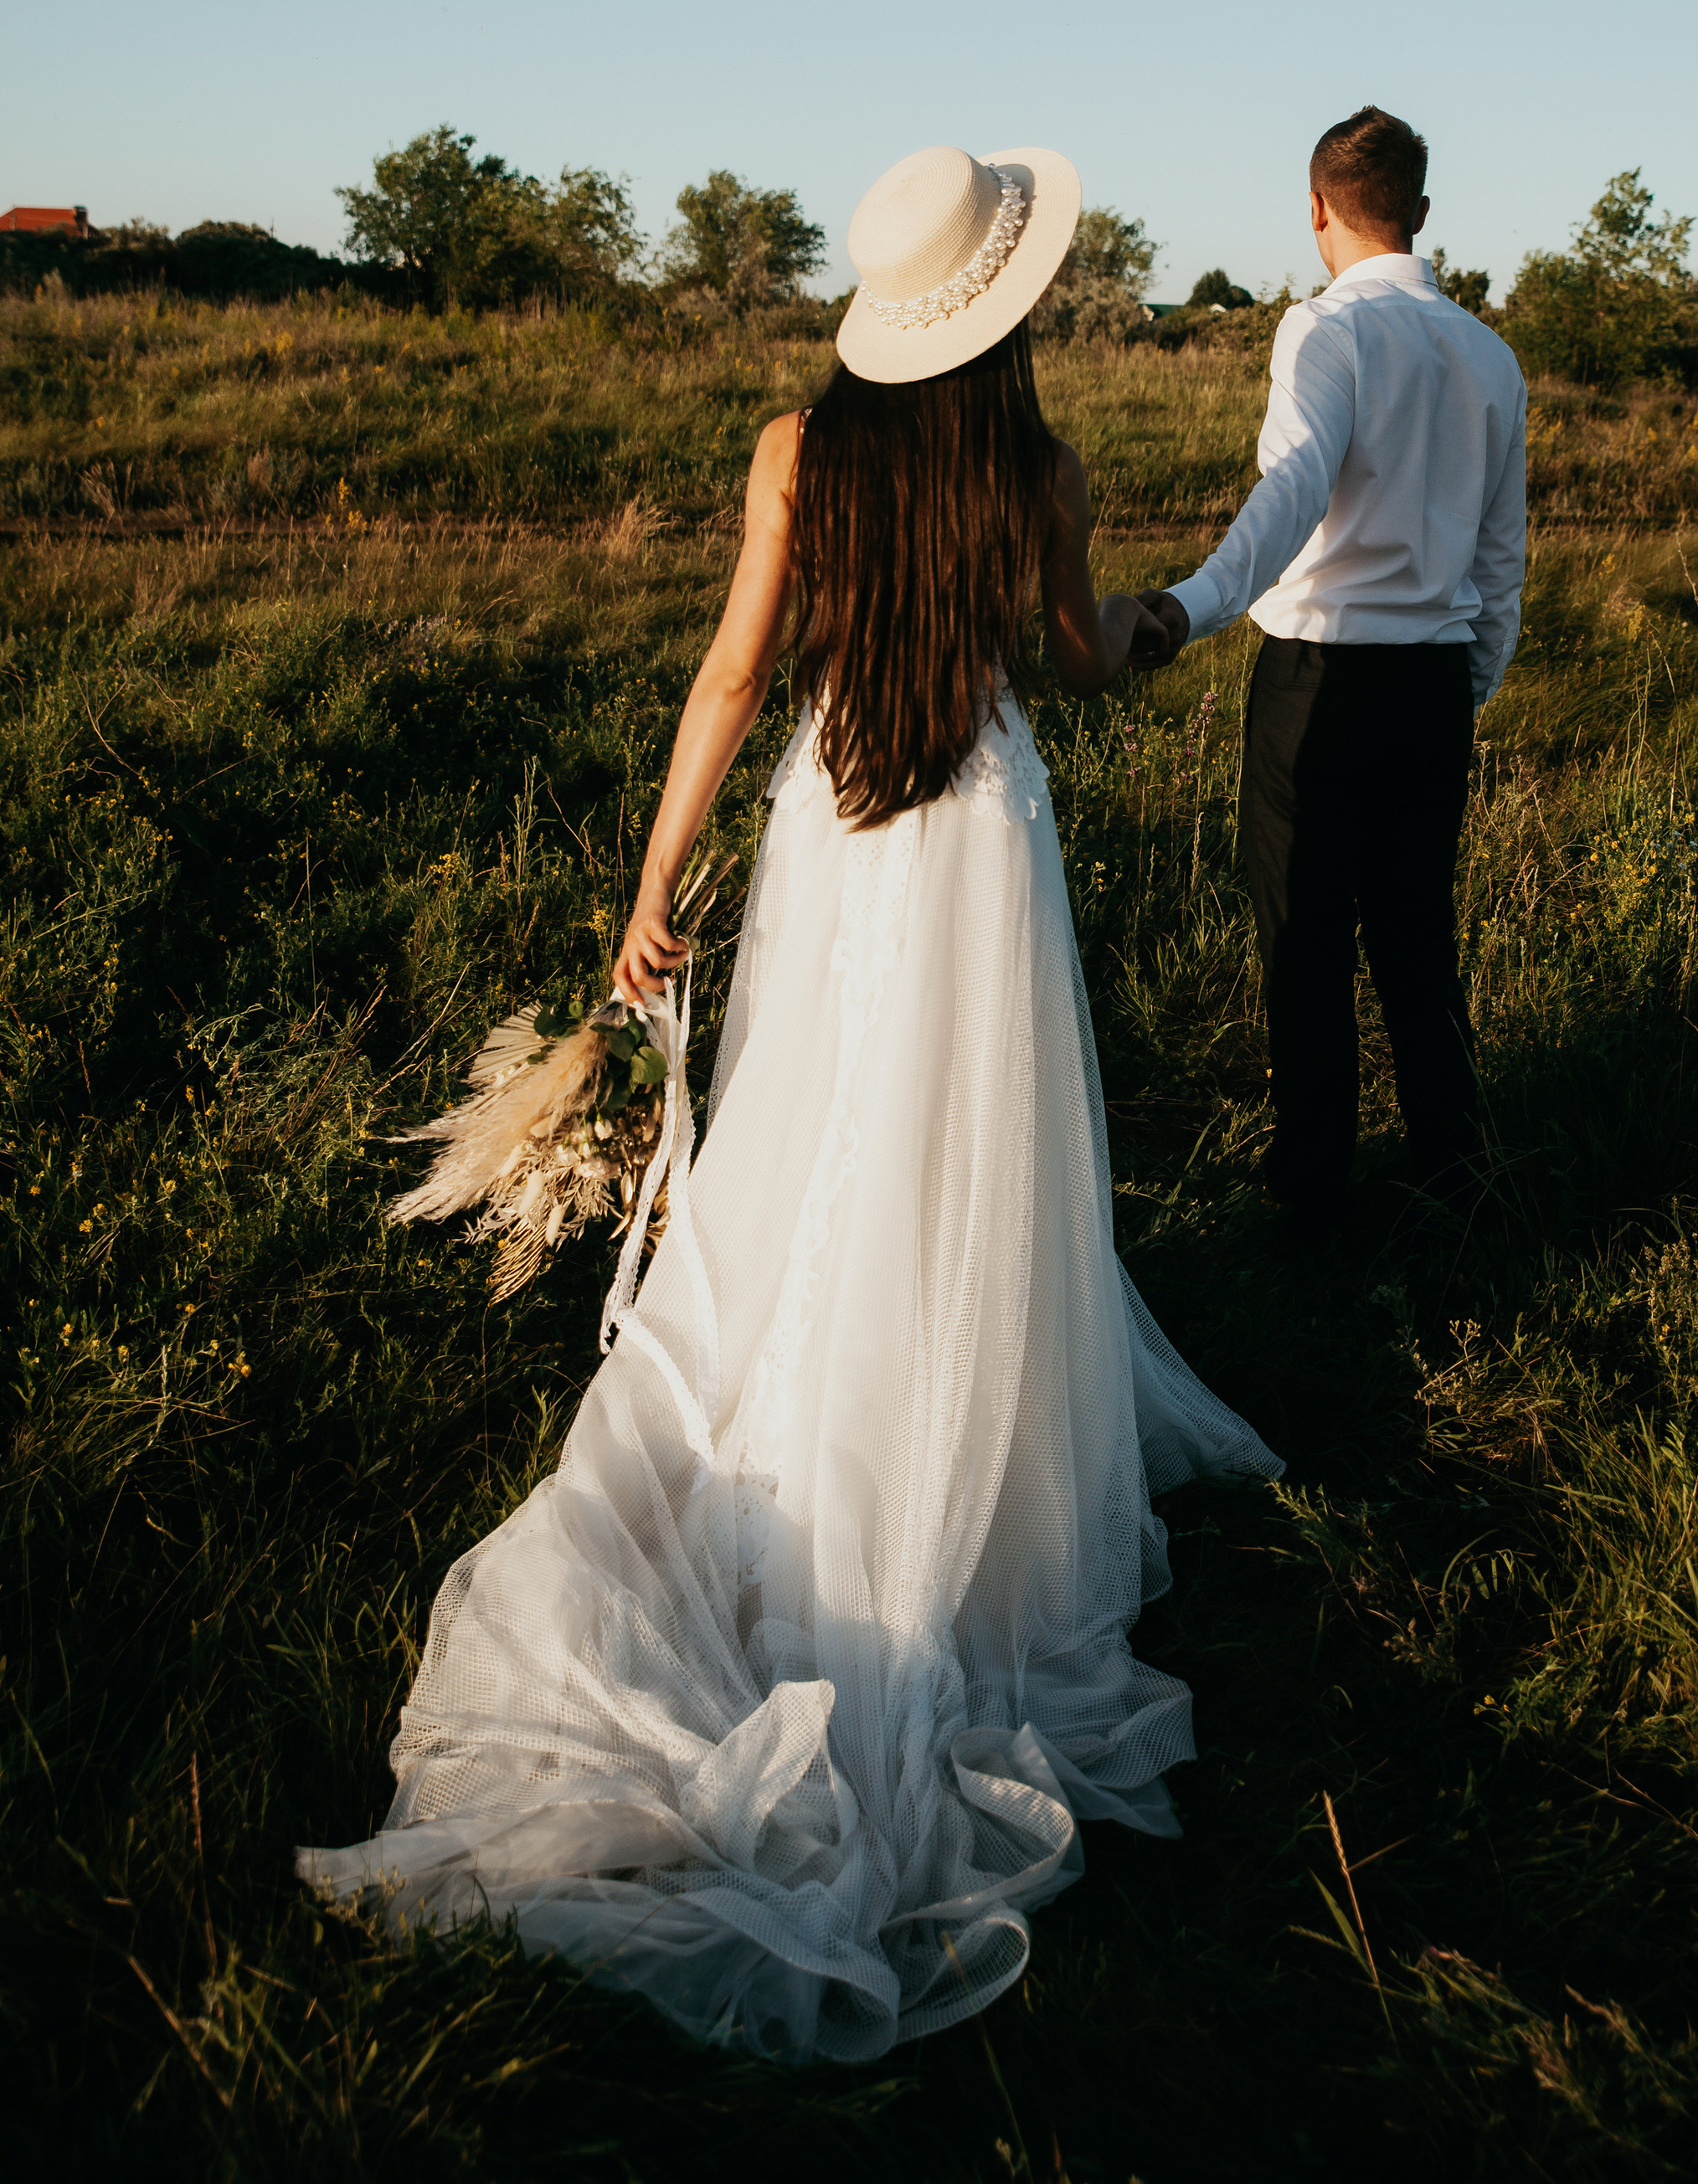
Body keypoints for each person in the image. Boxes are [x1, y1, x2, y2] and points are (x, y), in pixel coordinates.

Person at [300, 142, 1278, 2063]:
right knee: (960, 1171)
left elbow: (731, 677)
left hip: (836, 836)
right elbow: (1076, 662)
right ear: (1000, 311)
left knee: (820, 1149)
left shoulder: (790, 453)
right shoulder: (1038, 476)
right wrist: (1172, 617)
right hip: (973, 851)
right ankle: (947, 1468)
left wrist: (651, 887)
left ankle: (813, 1437)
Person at [1137, 105, 1526, 1252]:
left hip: (1316, 684)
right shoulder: (1491, 356)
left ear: (1318, 209)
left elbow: (1294, 488)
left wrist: (1191, 606)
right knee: (1421, 940)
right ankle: (1455, 1184)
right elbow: (1500, 557)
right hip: (1434, 691)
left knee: (1305, 945)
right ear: (1419, 211)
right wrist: (1471, 681)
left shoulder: (1323, 332)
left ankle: (1312, 1205)